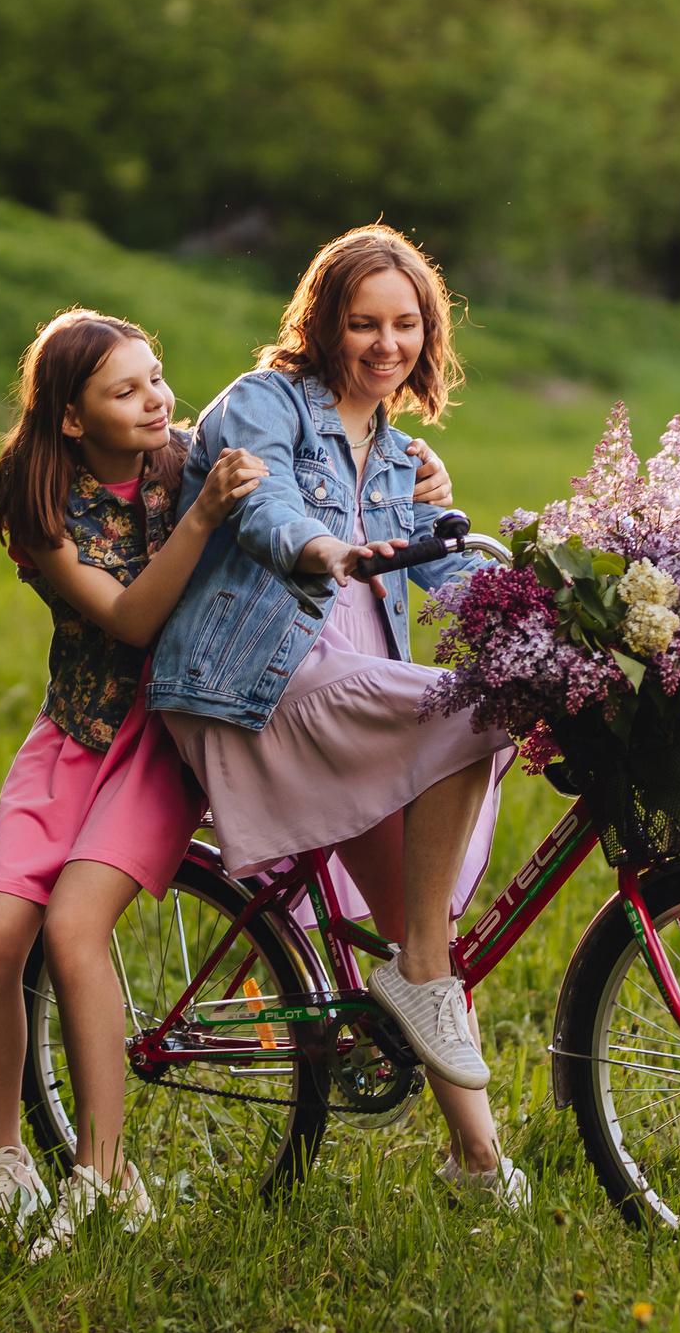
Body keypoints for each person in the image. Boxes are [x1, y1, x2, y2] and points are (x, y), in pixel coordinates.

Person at [0, 307, 457, 1253]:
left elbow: (319, 466)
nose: (156, 399)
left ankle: (103, 1176)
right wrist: (203, 516)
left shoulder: (193, 456)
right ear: (72, 417)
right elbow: (130, 620)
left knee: (72, 928)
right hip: (76, 734)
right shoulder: (41, 503)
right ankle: (5, 1162)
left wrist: (413, 472)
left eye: (156, 376)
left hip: (166, 733)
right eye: (126, 390)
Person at [148, 225, 527, 1206]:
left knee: (414, 924)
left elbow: (447, 570)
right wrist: (325, 549)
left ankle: (478, 1165)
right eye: (363, 323)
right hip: (259, 688)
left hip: (348, 695)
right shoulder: (261, 403)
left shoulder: (398, 455)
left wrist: (552, 611)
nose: (386, 344)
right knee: (471, 713)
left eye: (405, 325)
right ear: (323, 323)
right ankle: (422, 974)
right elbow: (265, 507)